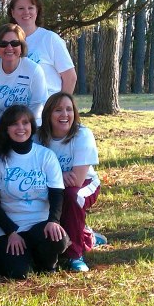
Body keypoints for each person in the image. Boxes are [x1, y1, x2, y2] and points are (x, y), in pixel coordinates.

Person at [0, 105, 69, 279]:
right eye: (14, 124)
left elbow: (57, 193)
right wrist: (11, 232)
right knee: (18, 273)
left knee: (58, 240)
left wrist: (53, 221)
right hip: (8, 226)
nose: (21, 128)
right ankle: (12, 255)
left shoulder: (46, 156)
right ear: (6, 129)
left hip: (40, 222)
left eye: (25, 123)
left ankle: (47, 260)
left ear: (32, 126)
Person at [36, 92, 101, 272]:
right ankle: (87, 235)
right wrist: (59, 176)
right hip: (58, 183)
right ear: (48, 114)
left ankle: (75, 255)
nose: (64, 114)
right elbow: (33, 173)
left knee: (72, 196)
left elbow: (77, 179)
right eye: (58, 110)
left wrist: (52, 176)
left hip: (86, 184)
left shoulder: (82, 135)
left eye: (69, 109)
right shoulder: (38, 137)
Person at [0, 24, 47, 139]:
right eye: (3, 44)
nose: (9, 48)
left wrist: (23, 137)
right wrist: (2, 140)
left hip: (30, 132)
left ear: (22, 46)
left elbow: (37, 108)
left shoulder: (34, 70)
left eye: (15, 43)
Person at [9, 0, 76, 96]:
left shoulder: (50, 39)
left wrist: (60, 107)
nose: (26, 12)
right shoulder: (5, 42)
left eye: (30, 8)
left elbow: (70, 77)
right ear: (13, 13)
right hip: (16, 107)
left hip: (47, 107)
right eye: (21, 8)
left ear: (37, 11)